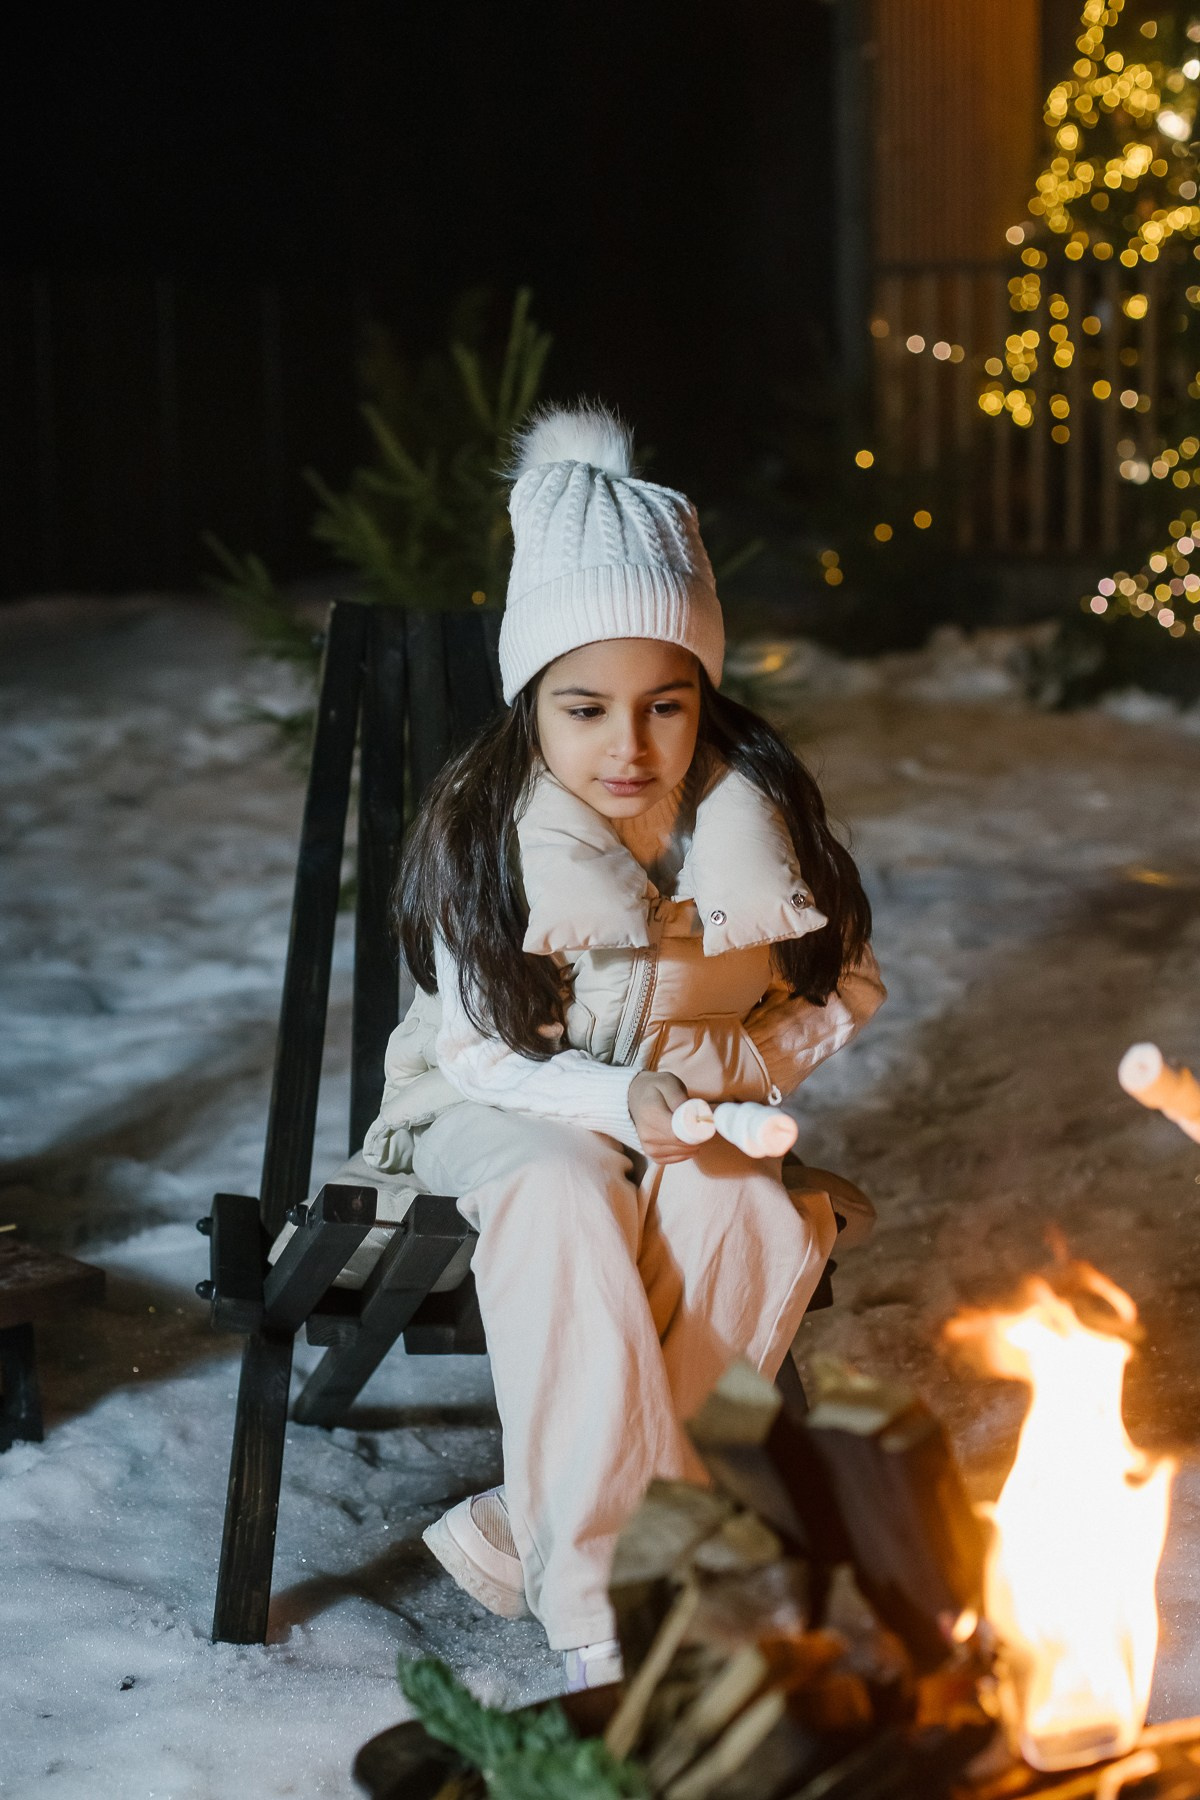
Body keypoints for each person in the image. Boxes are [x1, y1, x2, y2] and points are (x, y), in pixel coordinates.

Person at [363, 403, 885, 1689]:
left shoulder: (746, 818)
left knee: (749, 1214)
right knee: (562, 1185)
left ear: (704, 693)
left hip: (684, 1114)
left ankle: (528, 1523)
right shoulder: (492, 835)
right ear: (531, 701)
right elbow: (484, 1055)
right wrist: (612, 1098)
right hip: (499, 1103)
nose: (629, 747)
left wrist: (746, 1073)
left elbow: (844, 980)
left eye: (666, 706)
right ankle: (602, 1603)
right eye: (585, 708)